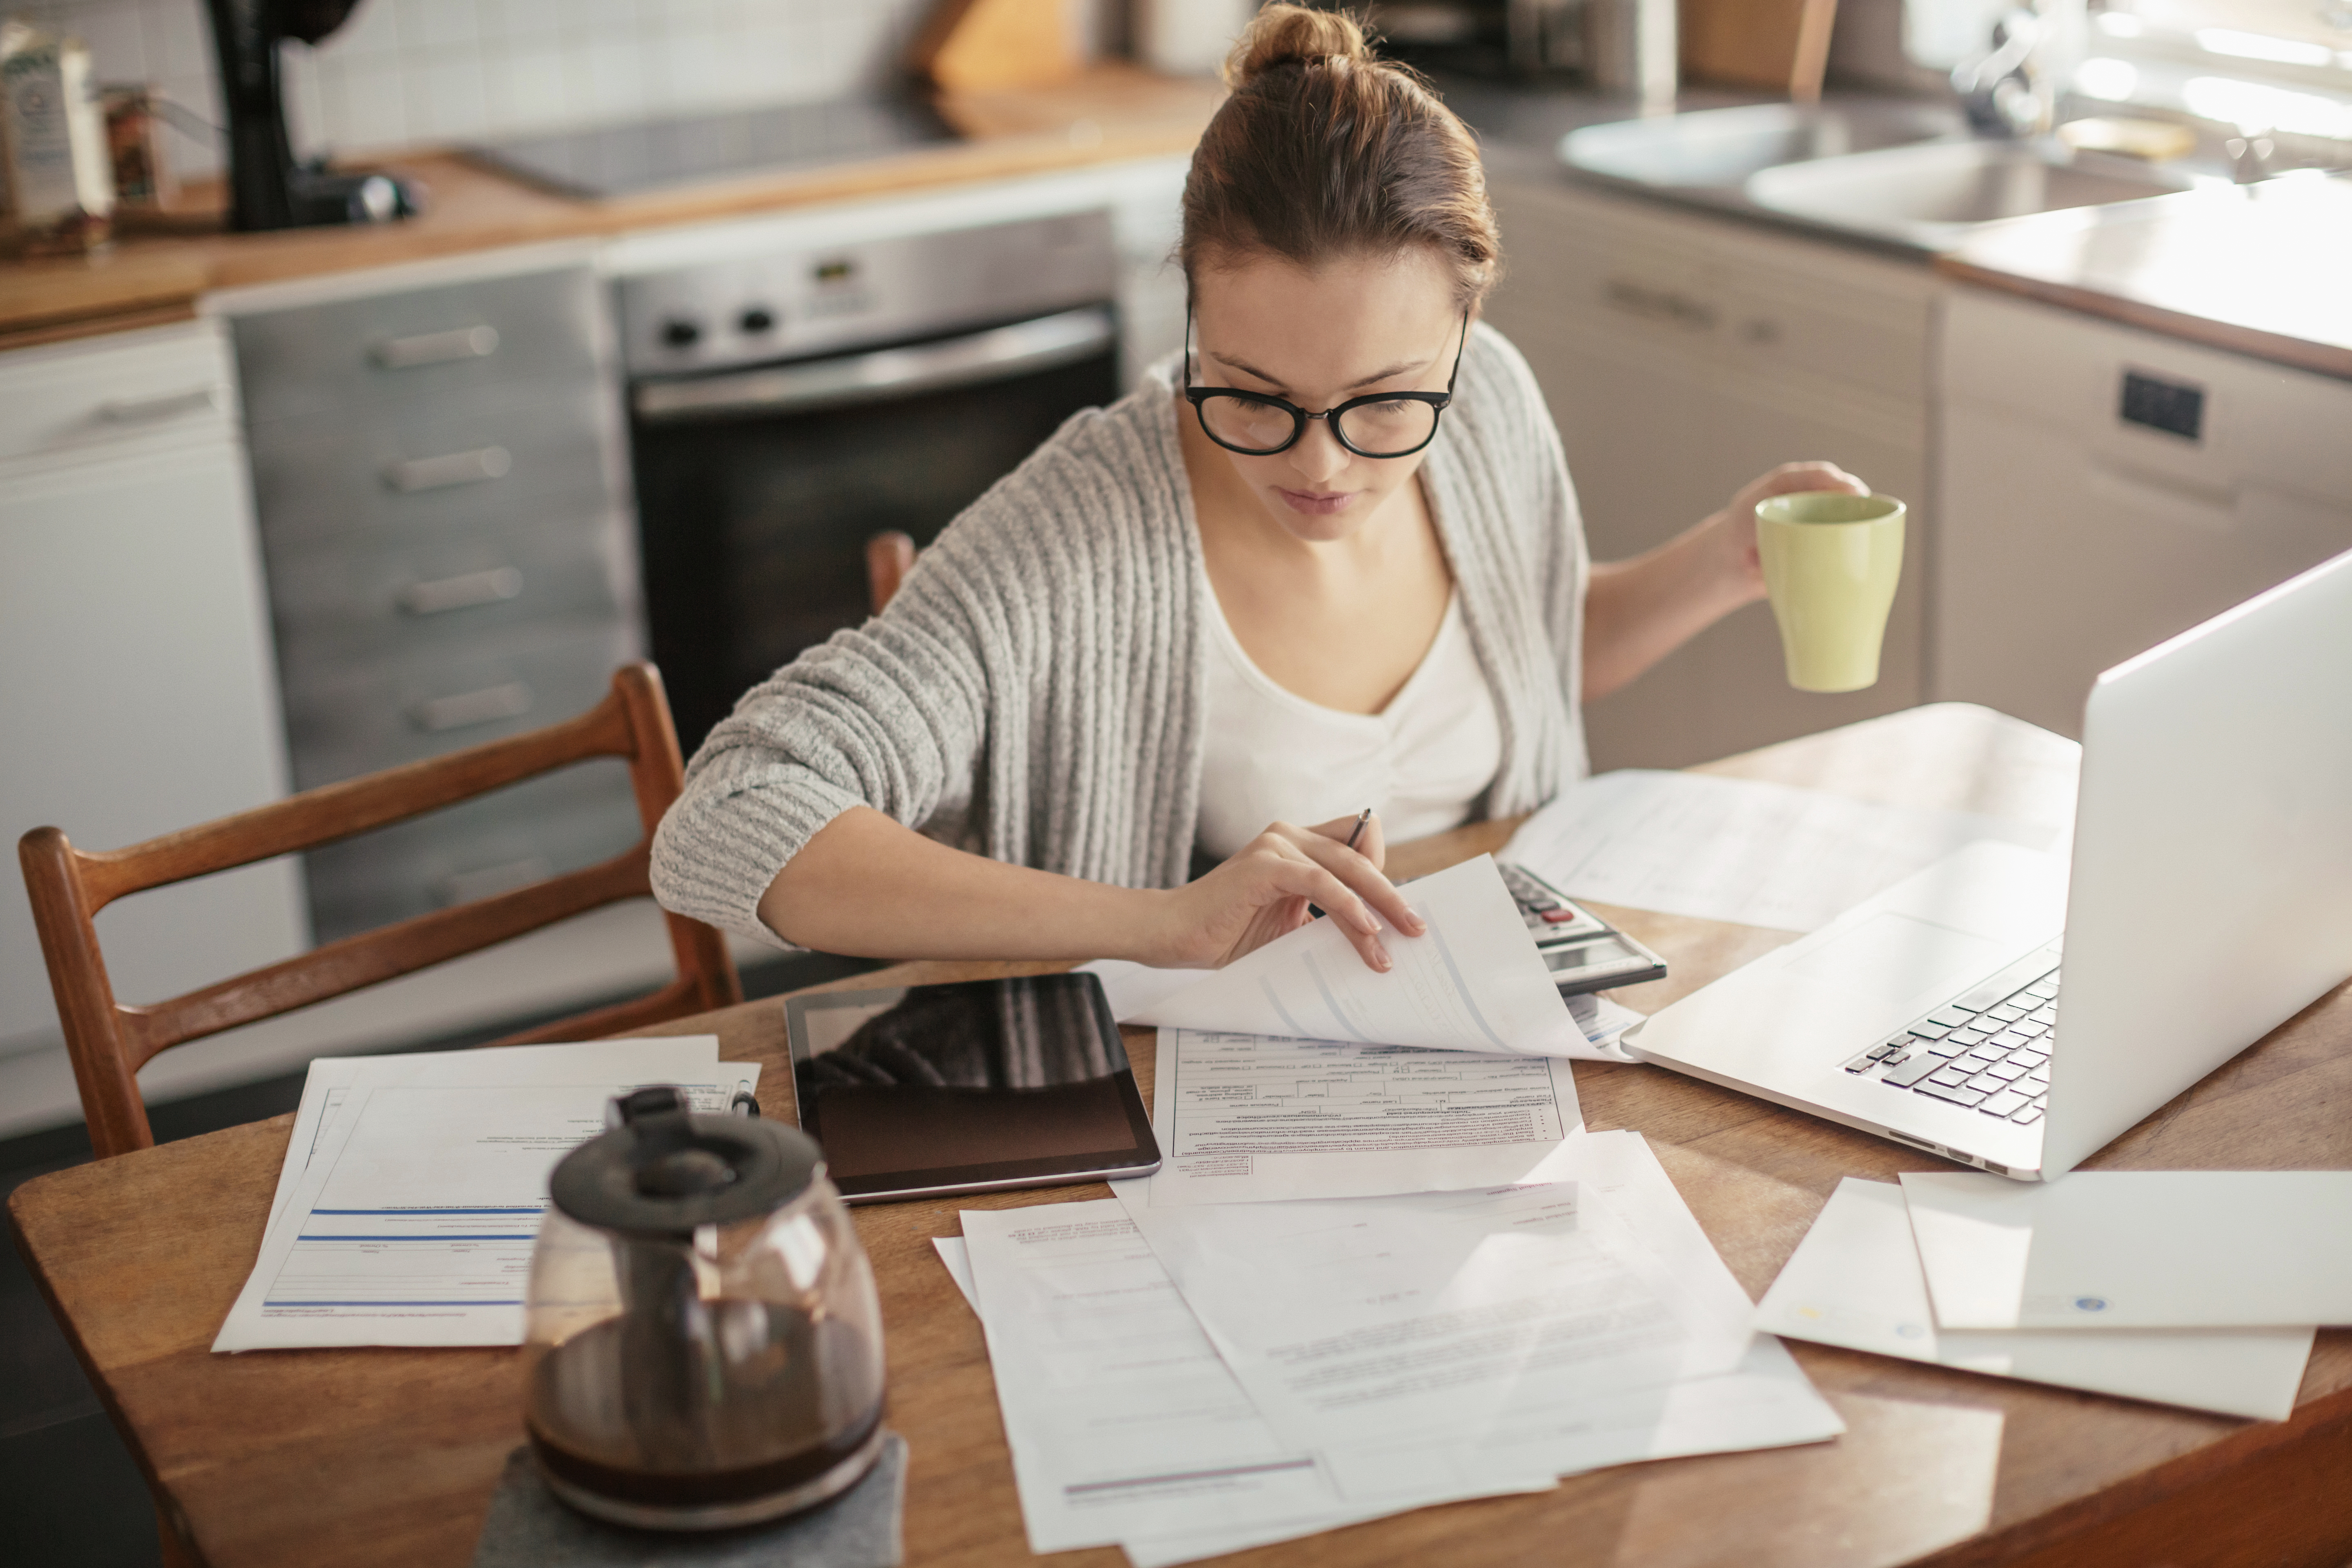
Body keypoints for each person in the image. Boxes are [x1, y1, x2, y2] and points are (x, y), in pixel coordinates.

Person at [650, 4, 1864, 976]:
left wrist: (1723, 561)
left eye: (1384, 402)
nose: (1320, 466)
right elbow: (732, 816)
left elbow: (1533, 647)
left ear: (1466, 330)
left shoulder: (1489, 403)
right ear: (1190, 314)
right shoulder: (1079, 536)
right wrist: (1162, 924)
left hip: (1493, 1033)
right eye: (1252, 393)